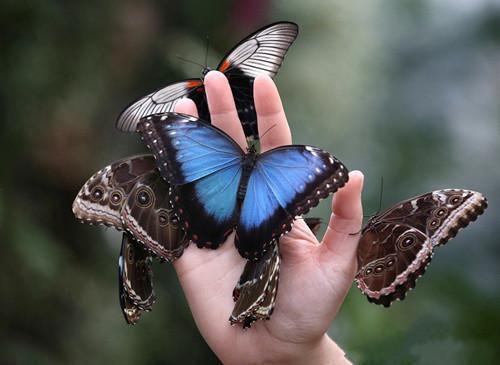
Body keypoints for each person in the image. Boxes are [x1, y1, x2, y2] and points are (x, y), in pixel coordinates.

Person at [172, 70, 364, 364]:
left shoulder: (226, 151)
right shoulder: (281, 163)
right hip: (254, 211)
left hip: (220, 201)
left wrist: (301, 355)